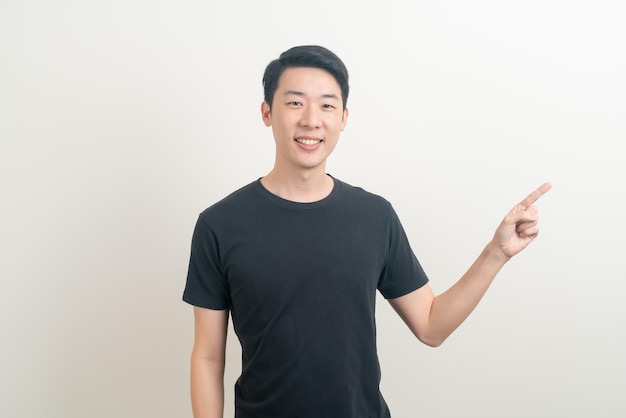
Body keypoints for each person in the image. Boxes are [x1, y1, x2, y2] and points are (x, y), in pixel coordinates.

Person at [182, 45, 551, 418]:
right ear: (267, 112)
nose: (312, 120)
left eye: (327, 105)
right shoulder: (220, 224)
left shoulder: (374, 216)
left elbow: (431, 326)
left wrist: (496, 253)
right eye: (295, 103)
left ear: (343, 118)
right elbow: (209, 356)